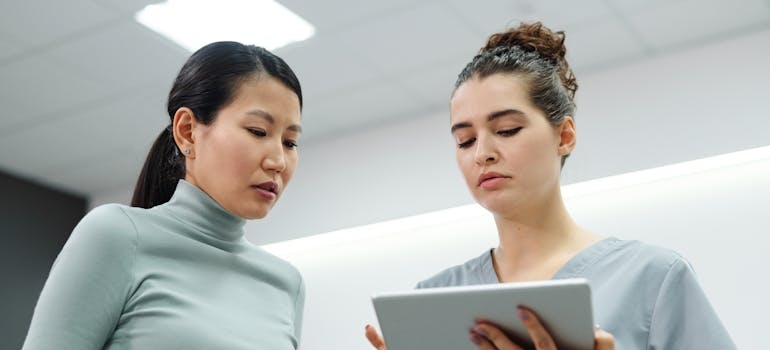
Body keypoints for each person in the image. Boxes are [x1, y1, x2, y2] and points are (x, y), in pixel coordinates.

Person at [366, 22, 736, 349]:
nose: (482, 154)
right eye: (464, 140)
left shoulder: (652, 278)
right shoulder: (432, 299)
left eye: (507, 130)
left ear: (565, 136)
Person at [22, 41, 305, 349]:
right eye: (258, 131)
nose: (278, 161)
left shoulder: (287, 283)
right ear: (187, 131)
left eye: (290, 142)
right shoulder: (116, 235)